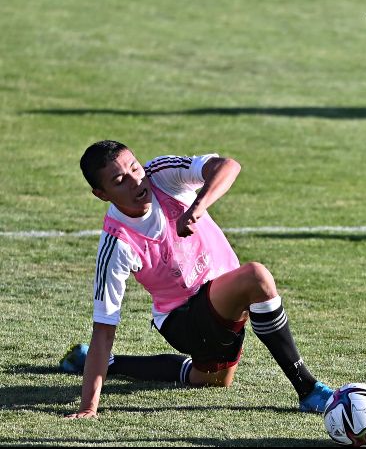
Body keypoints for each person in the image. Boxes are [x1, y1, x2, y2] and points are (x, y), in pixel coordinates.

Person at [63, 140, 334, 419]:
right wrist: (88, 407)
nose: (135, 181)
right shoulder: (117, 243)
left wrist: (197, 206)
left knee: (213, 380)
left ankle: (112, 364)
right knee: (256, 277)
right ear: (101, 194)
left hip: (220, 299)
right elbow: (104, 328)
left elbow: (228, 166)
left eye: (135, 167)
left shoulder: (161, 175)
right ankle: (309, 390)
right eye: (120, 181)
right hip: (183, 319)